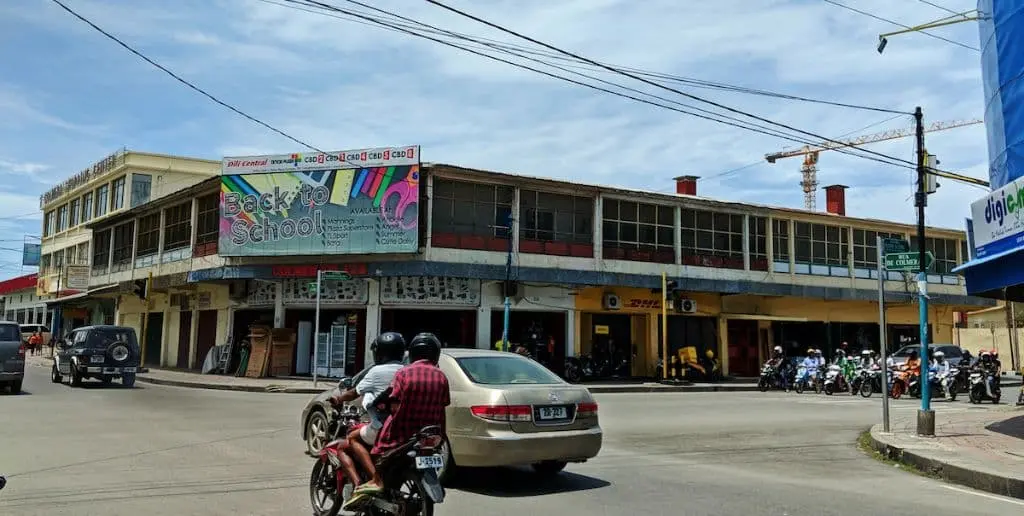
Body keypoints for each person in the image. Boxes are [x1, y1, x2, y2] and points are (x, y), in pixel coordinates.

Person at [344, 332, 451, 510]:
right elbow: (443, 406)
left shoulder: (404, 373)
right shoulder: (441, 377)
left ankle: (376, 480)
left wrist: (381, 405)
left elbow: (393, 403)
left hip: (403, 433)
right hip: (430, 433)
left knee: (379, 447)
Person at [330, 332, 407, 488]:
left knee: (351, 439)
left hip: (385, 428)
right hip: (407, 429)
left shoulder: (376, 371)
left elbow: (354, 392)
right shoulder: (408, 370)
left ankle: (371, 481)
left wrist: (338, 399)